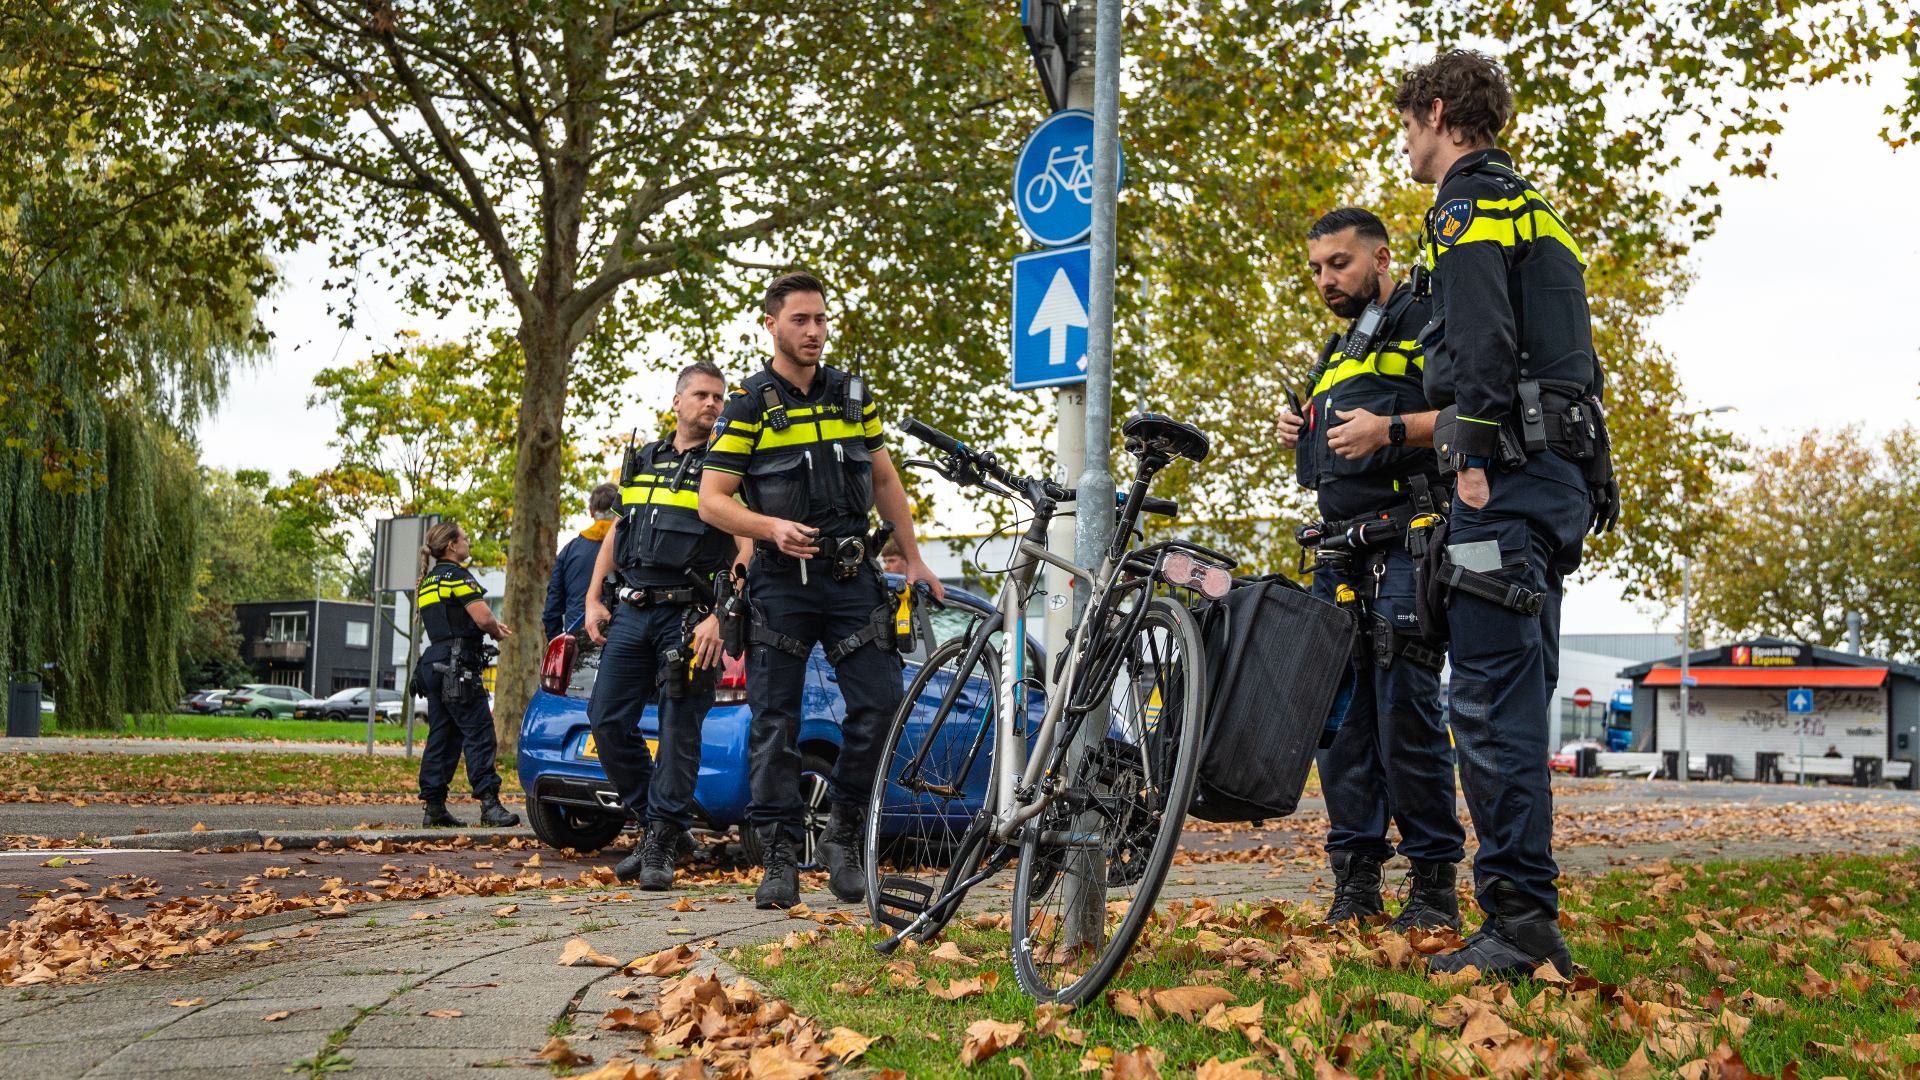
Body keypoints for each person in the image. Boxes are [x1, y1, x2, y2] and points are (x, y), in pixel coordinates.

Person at [1395, 50, 1618, 979]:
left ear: (1439, 112)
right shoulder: (1542, 214)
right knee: (1513, 698)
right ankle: (1525, 916)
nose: (1405, 142)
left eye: (1409, 123)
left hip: (1507, 481)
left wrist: (1471, 456)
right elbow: (1572, 355)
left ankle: (1520, 922)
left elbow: (1483, 336)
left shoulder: (1466, 205)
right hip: (1556, 481)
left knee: (1487, 709)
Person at [698, 271, 946, 910]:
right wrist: (770, 528)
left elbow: (886, 481)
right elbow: (713, 502)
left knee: (881, 706)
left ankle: (842, 836)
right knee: (774, 724)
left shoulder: (853, 395)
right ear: (773, 325)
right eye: (800, 320)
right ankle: (779, 857)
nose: (813, 331)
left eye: (821, 320)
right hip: (780, 585)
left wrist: (913, 558)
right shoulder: (748, 404)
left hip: (851, 576)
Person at [1276, 206, 1465, 931]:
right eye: (1319, 268)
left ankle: (1433, 886)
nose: (1326, 279)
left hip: (1406, 546)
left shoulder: (1426, 319)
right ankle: (1354, 884)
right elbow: (1319, 469)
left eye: (1340, 265)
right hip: (1336, 552)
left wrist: (1388, 428)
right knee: (1341, 727)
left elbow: (1463, 414)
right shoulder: (1336, 351)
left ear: (1381, 259)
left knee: (1405, 718)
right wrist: (1304, 432)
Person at [580, 362, 752, 888]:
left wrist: (721, 617)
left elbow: (749, 545)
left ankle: (659, 843)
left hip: (691, 616)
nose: (713, 404)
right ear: (676, 402)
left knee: (680, 729)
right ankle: (663, 823)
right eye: (702, 395)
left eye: (719, 398)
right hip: (631, 611)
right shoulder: (644, 459)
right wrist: (592, 597)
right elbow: (616, 533)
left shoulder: (728, 468)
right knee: (606, 719)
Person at [413, 521, 521, 828]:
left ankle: (434, 808)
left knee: (443, 736)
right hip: (457, 665)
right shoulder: (457, 576)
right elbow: (482, 616)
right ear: (451, 545)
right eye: (465, 539)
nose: (469, 543)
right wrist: (495, 630)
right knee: (480, 732)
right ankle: (490, 805)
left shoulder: (428, 581)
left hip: (433, 664)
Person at [544, 483, 621, 641]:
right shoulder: (632, 546)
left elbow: (551, 611)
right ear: (621, 509)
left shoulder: (569, 551)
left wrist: (558, 647)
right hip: (623, 638)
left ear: (591, 511)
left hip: (579, 642)